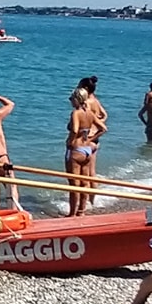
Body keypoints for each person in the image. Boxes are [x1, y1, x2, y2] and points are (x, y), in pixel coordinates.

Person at [64, 88, 99, 216]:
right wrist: (90, 139)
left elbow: (74, 129)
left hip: (76, 150)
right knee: (84, 183)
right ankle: (81, 211)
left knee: (73, 184)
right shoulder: (89, 113)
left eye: (72, 98)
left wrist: (70, 141)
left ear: (77, 100)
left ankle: (72, 213)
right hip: (87, 149)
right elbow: (103, 128)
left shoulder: (76, 113)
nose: (70, 101)